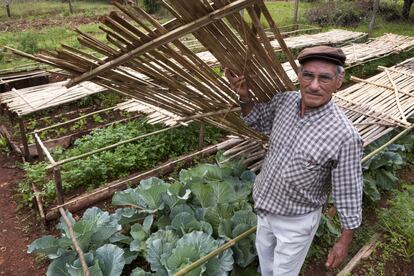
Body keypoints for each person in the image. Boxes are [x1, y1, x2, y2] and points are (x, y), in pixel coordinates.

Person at [225, 45, 363, 276]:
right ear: (299, 76)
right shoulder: (285, 102)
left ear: (339, 81)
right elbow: (257, 120)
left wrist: (344, 241)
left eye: (324, 78)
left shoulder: (344, 136)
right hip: (265, 208)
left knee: (284, 273)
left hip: (296, 221)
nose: (314, 85)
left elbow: (348, 191)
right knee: (266, 263)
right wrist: (245, 96)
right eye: (308, 75)